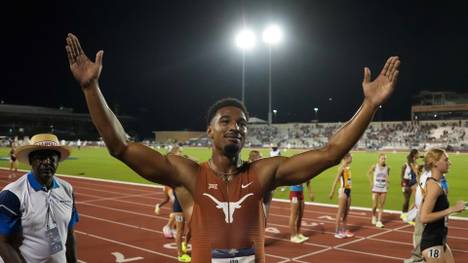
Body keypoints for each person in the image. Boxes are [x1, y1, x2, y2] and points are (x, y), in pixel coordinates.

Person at [65, 33, 400, 262]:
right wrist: (91, 89)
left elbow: (330, 154)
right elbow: (120, 147)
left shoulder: (264, 172)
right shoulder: (186, 174)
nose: (235, 127)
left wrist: (369, 105)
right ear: (208, 131)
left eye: (241, 124)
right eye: (225, 121)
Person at [0, 133, 79, 263]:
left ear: (58, 161)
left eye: (51, 158)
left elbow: (69, 234)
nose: (47, 162)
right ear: (31, 161)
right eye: (41, 158)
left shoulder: (67, 189)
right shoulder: (12, 194)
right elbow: (2, 243)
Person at [419, 148, 465, 263]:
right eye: (446, 160)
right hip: (432, 243)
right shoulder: (434, 186)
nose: (450, 163)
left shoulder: (438, 184)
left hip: (441, 241)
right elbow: (424, 217)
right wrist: (452, 209)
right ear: (435, 163)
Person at [329, 153, 354, 238]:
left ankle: (344, 230)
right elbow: (336, 180)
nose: (352, 158)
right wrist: (332, 191)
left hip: (349, 191)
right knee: (340, 212)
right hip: (343, 191)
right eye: (351, 157)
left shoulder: (348, 168)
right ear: (346, 158)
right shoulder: (341, 168)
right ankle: (337, 231)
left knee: (346, 212)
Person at [368, 153, 390, 228]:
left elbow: (387, 175)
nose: (383, 160)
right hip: (375, 188)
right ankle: (374, 216)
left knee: (381, 205)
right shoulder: (375, 166)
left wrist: (387, 182)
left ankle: (379, 221)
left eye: (384, 159)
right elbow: (369, 173)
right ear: (378, 159)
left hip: (383, 189)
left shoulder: (387, 167)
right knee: (374, 205)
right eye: (382, 158)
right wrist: (371, 182)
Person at [401, 149, 420, 222]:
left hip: (413, 182)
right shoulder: (408, 163)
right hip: (406, 182)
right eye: (418, 154)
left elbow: (416, 171)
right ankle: (404, 215)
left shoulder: (414, 162)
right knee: (407, 200)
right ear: (414, 154)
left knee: (417, 201)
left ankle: (408, 215)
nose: (419, 155)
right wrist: (403, 183)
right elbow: (414, 171)